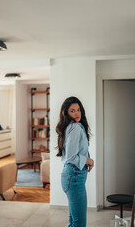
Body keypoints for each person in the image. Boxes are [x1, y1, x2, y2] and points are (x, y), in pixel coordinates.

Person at [56, 96, 94, 227]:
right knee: (79, 223)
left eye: (78, 110)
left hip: (71, 176)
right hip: (74, 176)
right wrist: (88, 160)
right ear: (66, 112)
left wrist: (87, 161)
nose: (77, 113)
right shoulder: (76, 127)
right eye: (72, 111)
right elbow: (71, 157)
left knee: (74, 222)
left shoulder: (69, 127)